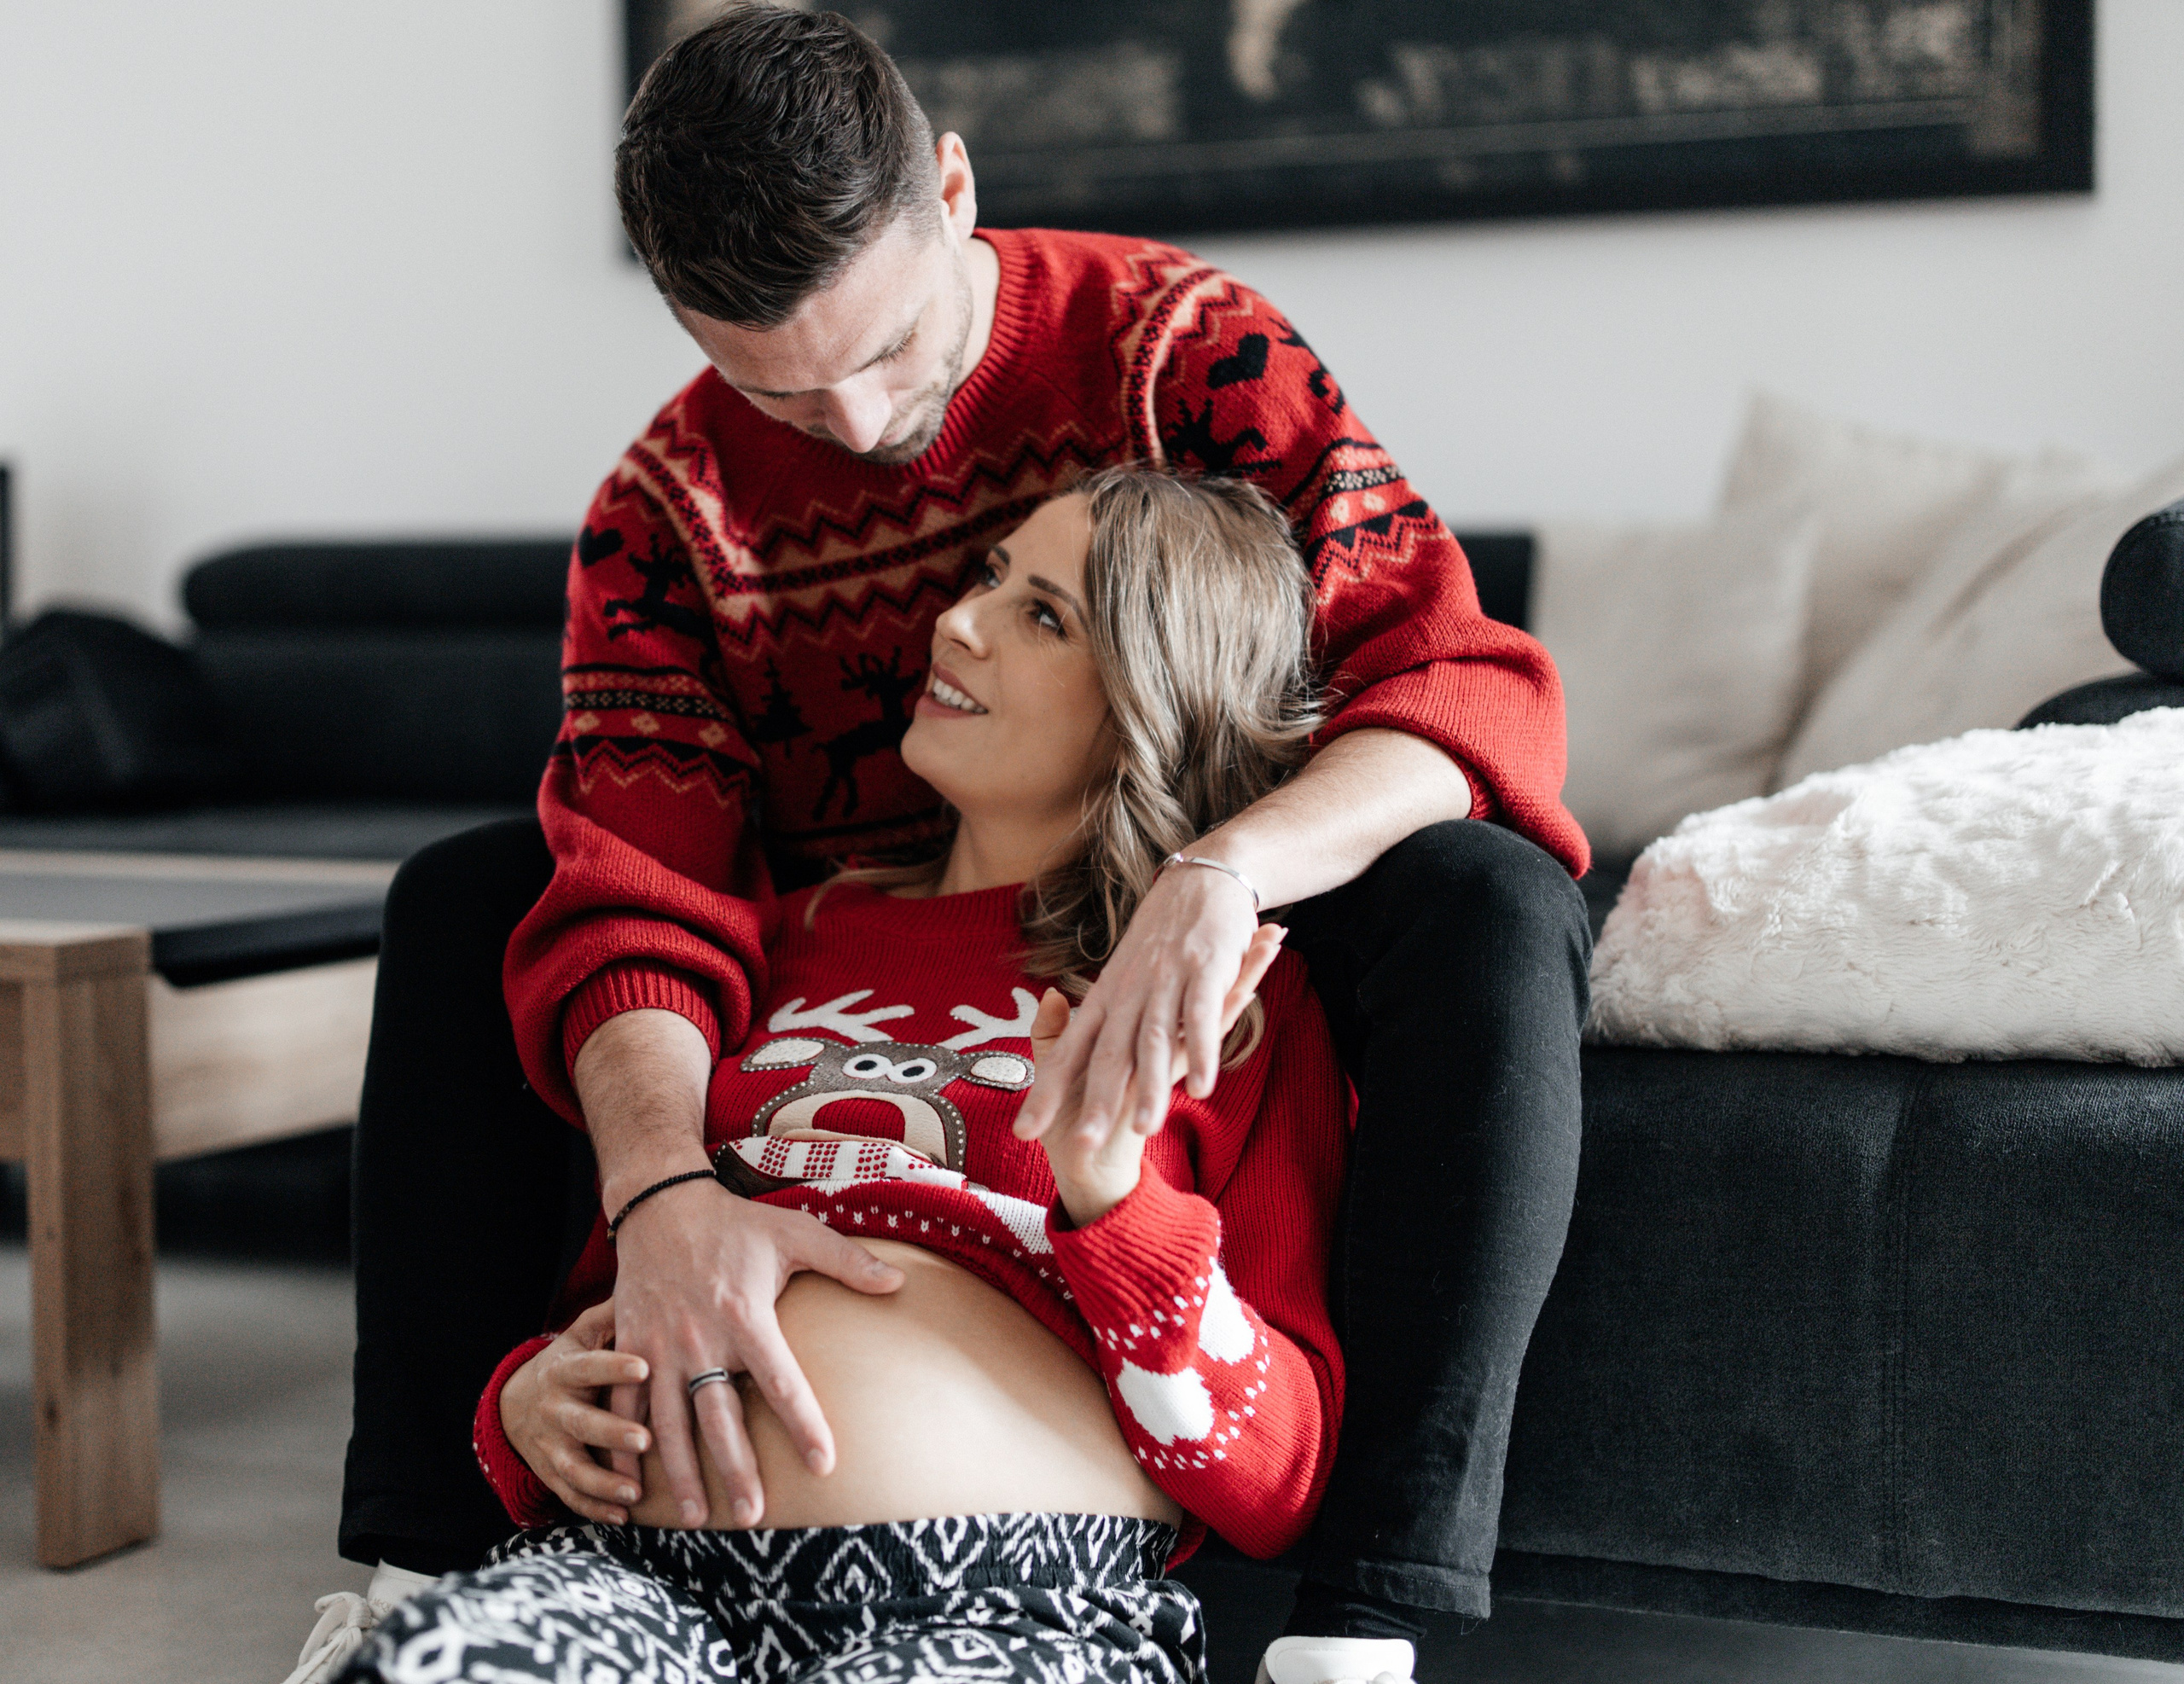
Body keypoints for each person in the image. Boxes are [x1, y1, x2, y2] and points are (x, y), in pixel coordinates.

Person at [316, 9, 1593, 1684]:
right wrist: (664, 1196)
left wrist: (1224, 876)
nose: (850, 423)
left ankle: (1368, 1617)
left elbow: (1457, 680)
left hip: (1175, 870)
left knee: (1487, 898)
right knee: (472, 895)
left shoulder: (1174, 348)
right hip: (840, 930)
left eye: (891, 352)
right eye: (776, 379)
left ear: (953, 185)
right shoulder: (667, 504)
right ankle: (426, 1566)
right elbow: (636, 874)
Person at [337, 469, 1373, 1684]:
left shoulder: (1224, 1012)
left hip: (1011, 1601)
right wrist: (524, 1408)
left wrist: (1111, 1199)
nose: (957, 622)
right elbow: (628, 1273)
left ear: (1151, 707)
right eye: (991, 575)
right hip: (638, 1578)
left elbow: (1283, 1468)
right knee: (425, 1669)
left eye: (1045, 616)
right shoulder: (775, 939)